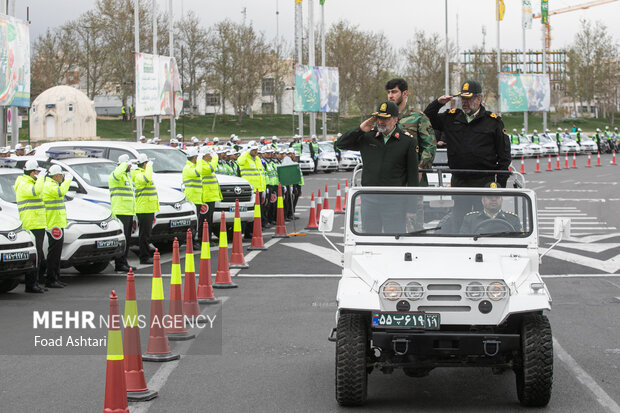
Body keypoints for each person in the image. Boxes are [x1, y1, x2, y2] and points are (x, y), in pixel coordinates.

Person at [424, 80, 510, 230]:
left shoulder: (492, 121)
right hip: (460, 180)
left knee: (483, 221)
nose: (464, 102)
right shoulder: (452, 118)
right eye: (462, 99)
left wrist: (499, 186)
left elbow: (504, 155)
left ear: (479, 99)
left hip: (483, 180)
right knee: (459, 219)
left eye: (468, 99)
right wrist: (438, 103)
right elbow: (427, 117)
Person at [336, 101, 419, 233]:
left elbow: (413, 176)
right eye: (379, 118)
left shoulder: (407, 141)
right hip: (370, 200)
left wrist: (411, 208)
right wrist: (360, 129)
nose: (381, 121)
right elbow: (340, 144)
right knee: (370, 240)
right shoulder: (367, 137)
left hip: (395, 202)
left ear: (395, 119)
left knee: (394, 240)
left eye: (386, 118)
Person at [385, 78, 436, 186]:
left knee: (413, 202)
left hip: (412, 175)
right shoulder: (383, 118)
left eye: (394, 92)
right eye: (388, 92)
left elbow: (430, 145)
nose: (390, 96)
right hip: (389, 176)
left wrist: (421, 168)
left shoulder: (418, 117)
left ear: (405, 93)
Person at [14, 160, 47, 293]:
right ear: (31, 172)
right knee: (36, 256)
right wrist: (42, 178)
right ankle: (31, 284)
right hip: (31, 223)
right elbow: (36, 191)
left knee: (39, 256)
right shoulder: (23, 184)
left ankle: (35, 282)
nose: (38, 174)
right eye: (37, 172)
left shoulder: (30, 182)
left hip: (37, 223)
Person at [41, 165, 72, 288]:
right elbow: (60, 193)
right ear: (56, 176)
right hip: (53, 224)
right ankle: (51, 279)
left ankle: (56, 277)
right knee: (54, 253)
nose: (62, 178)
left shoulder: (52, 184)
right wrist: (68, 180)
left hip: (57, 223)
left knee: (56, 253)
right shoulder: (49, 185)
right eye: (61, 175)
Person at [108, 154, 135, 272]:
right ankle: (119, 263)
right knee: (122, 240)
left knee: (127, 240)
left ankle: (124, 262)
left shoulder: (126, 176)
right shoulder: (115, 175)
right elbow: (117, 174)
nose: (130, 166)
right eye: (128, 164)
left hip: (128, 211)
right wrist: (124, 164)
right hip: (120, 211)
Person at [133, 153, 159, 264]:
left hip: (148, 207)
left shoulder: (141, 173)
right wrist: (149, 166)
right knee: (144, 234)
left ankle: (145, 255)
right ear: (144, 164)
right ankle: (144, 257)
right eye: (147, 163)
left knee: (147, 234)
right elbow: (147, 178)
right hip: (143, 208)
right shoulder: (138, 175)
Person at [197, 147, 221, 243]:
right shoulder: (202, 165)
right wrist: (215, 157)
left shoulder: (205, 164)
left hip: (210, 196)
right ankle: (202, 239)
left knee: (209, 220)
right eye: (209, 155)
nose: (211, 157)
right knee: (204, 220)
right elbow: (212, 168)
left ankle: (208, 239)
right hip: (205, 196)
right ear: (205, 156)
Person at [183, 147, 205, 247]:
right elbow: (198, 172)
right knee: (193, 223)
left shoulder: (191, 166)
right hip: (192, 198)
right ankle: (191, 242)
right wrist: (200, 160)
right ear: (194, 157)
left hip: (197, 198)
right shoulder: (188, 168)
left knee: (197, 222)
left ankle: (193, 241)